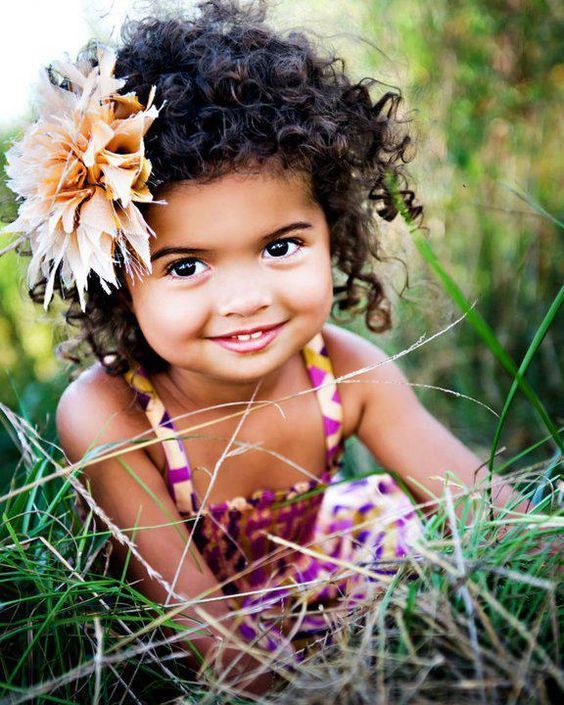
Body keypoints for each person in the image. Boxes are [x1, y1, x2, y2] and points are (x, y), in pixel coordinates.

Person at [2, 0, 505, 696]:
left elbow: (493, 509)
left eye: (279, 246)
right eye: (185, 265)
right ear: (119, 280)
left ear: (333, 232)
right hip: (184, 636)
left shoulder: (349, 373)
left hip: (320, 585)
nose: (245, 298)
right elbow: (206, 635)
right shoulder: (107, 414)